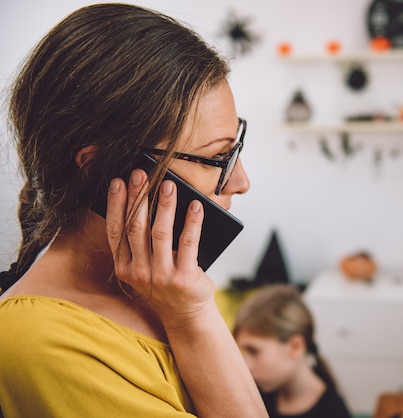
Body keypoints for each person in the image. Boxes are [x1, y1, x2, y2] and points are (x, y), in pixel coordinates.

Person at [0, 4, 267, 417]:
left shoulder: (166, 285)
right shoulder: (38, 339)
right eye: (219, 157)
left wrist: (191, 309)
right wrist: (191, 316)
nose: (240, 182)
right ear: (102, 168)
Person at [233, 284, 352, 418]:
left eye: (254, 351)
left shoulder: (333, 411)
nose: (246, 366)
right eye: (244, 352)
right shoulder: (258, 397)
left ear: (295, 346)